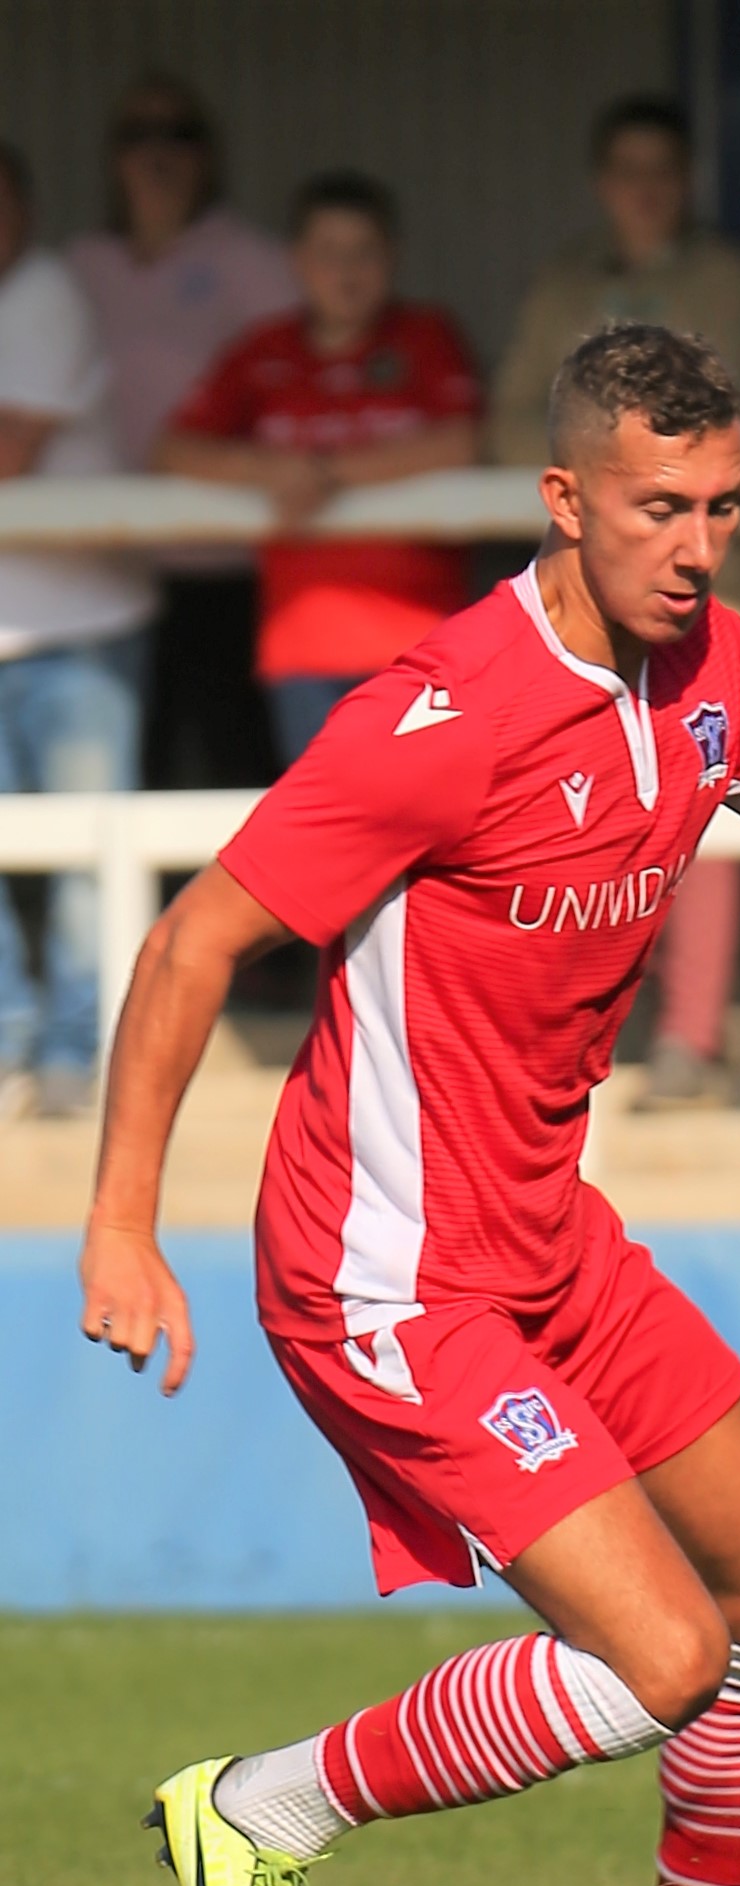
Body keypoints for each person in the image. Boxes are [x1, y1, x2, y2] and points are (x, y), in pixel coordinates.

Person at [82, 324, 740, 1886]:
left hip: (546, 1236)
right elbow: (191, 939)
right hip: (383, 1270)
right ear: (563, 499)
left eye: (723, 507)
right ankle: (260, 1808)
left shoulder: (719, 673)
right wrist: (123, 1224)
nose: (694, 544)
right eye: (659, 506)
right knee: (664, 1658)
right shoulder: (437, 717)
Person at [492, 96, 740, 1107]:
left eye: (663, 168)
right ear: (602, 182)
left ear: (684, 180)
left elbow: (719, 422)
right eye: (627, 169)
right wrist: (603, 461)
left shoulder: (725, 279)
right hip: (580, 608)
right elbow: (512, 418)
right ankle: (572, 1033)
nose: (645, 188)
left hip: (715, 602)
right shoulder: (564, 281)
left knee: (697, 800)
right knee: (579, 811)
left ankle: (689, 1036)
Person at [153, 173, 482, 766]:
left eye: (364, 252)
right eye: (329, 253)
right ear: (298, 262)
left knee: (424, 843)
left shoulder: (427, 338)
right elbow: (174, 449)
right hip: (302, 646)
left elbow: (462, 442)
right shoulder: (265, 350)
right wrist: (268, 470)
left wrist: (326, 472)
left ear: (393, 257)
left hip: (424, 644)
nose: (347, 271)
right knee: (333, 853)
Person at [66, 72, 293, 792]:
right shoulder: (76, 268)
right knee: (134, 775)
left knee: (240, 769)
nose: (157, 153)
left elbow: (298, 387)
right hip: (107, 571)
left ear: (208, 154)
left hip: (229, 563)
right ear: (113, 156)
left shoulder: (254, 262)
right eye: (138, 135)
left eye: (178, 134)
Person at [0, 144, 156, 1120]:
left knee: (89, 865)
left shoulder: (44, 291)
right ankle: (12, 1042)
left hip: (79, 631)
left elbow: (10, 450)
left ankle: (77, 1059)